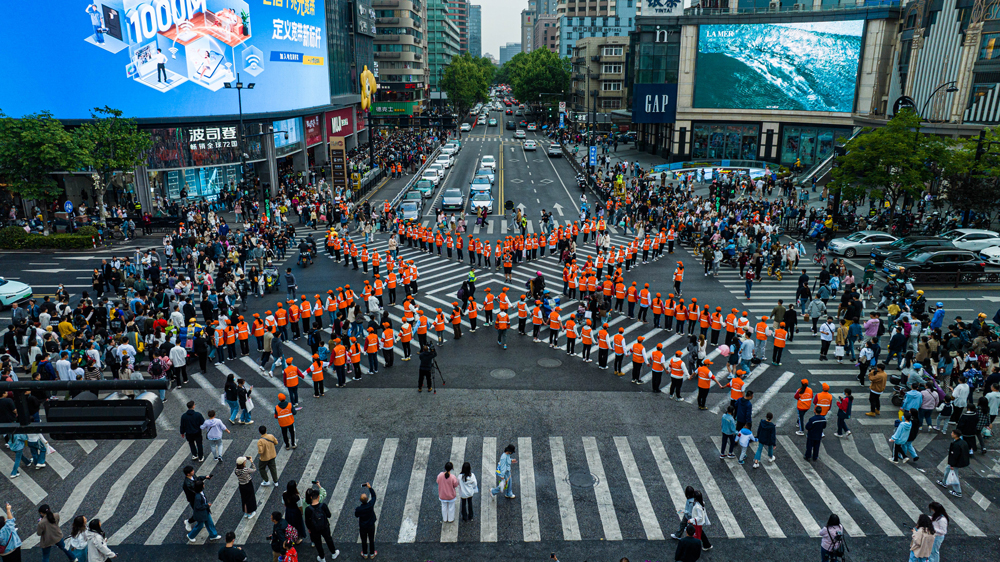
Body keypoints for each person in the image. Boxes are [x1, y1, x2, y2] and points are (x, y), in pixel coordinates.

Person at [303, 483, 339, 561]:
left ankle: (322, 558)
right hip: (325, 526)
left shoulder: (308, 509)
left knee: (318, 543)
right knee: (328, 539)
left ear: (311, 497)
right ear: (318, 497)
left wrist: (309, 528)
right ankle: (333, 553)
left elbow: (307, 521)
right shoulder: (323, 506)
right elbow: (329, 515)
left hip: (314, 529)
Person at [937, 429, 970, 498]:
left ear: (955, 435)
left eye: (952, 433)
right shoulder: (963, 442)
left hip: (955, 463)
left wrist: (952, 464)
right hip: (960, 461)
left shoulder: (956, 445)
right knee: (947, 470)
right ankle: (944, 482)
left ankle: (958, 492)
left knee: (954, 476)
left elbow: (954, 456)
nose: (951, 434)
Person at [355, 483, 377, 560]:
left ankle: (364, 553)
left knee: (363, 540)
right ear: (367, 499)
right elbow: (374, 496)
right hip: (371, 525)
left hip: (363, 526)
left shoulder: (359, 509)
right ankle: (372, 553)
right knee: (371, 539)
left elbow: (356, 515)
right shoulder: (370, 505)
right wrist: (370, 488)